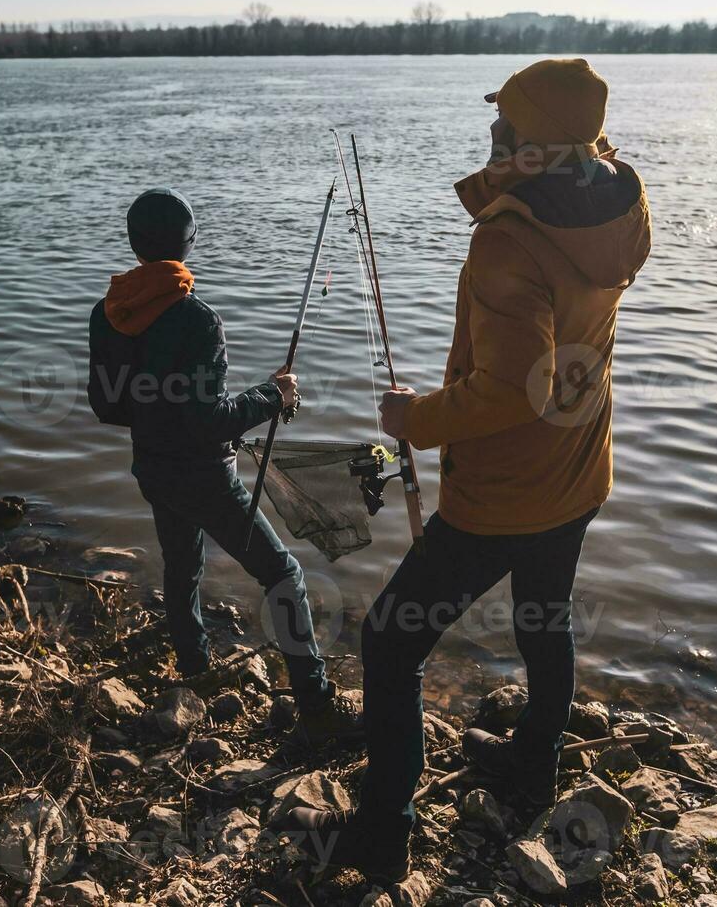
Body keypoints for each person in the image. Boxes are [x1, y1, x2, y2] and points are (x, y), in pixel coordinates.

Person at [278, 59, 653, 878]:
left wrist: (415, 420)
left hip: (503, 496)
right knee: (543, 619)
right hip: (581, 473)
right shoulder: (618, 201)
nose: (490, 135)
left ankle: (384, 833)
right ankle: (532, 763)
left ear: (528, 143)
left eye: (503, 126)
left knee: (388, 645)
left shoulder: (509, 239)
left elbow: (518, 390)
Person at [87, 187, 362, 744]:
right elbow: (212, 422)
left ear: (134, 243)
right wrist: (273, 396)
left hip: (153, 470)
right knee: (283, 575)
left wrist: (158, 412)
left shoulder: (110, 311)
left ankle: (194, 671)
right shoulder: (197, 320)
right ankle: (316, 706)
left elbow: (106, 405)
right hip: (207, 477)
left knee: (182, 567)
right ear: (189, 245)